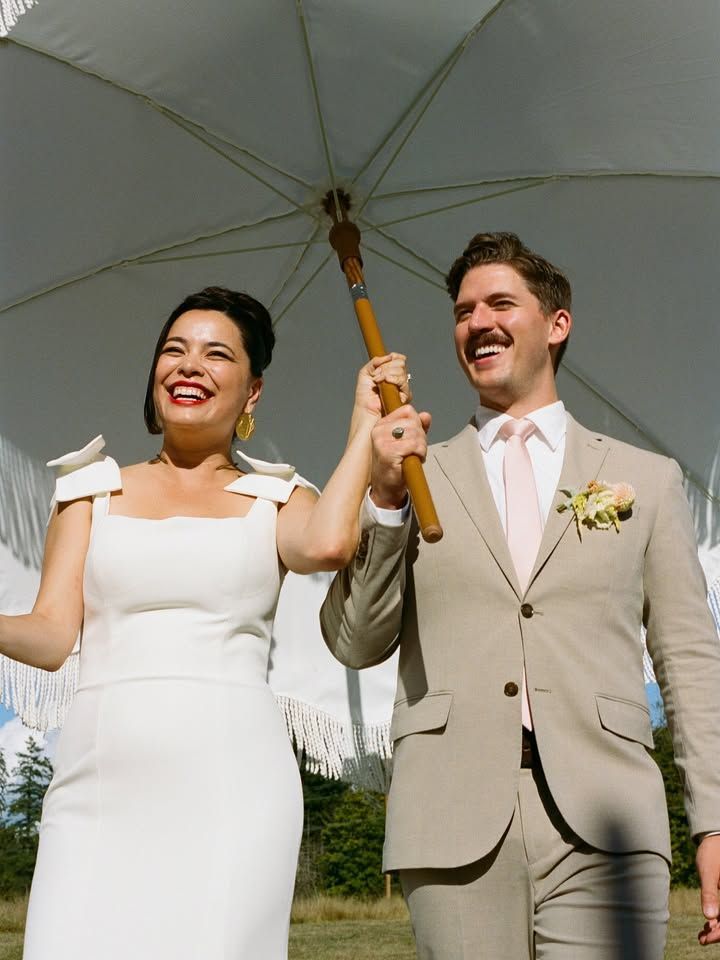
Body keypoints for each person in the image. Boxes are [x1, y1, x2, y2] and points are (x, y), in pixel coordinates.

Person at [320, 233, 720, 959]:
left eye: (500, 303)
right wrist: (383, 499)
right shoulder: (412, 473)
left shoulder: (646, 479)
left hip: (609, 816)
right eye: (463, 312)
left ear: (557, 323)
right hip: (450, 820)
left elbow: (690, 660)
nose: (477, 322)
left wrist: (714, 820)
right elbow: (355, 640)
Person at [0, 285, 410, 960]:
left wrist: (365, 423)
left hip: (234, 789)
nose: (189, 365)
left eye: (217, 354)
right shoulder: (86, 490)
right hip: (98, 788)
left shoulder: (279, 496)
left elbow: (330, 545)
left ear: (252, 393)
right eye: (174, 350)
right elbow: (49, 635)